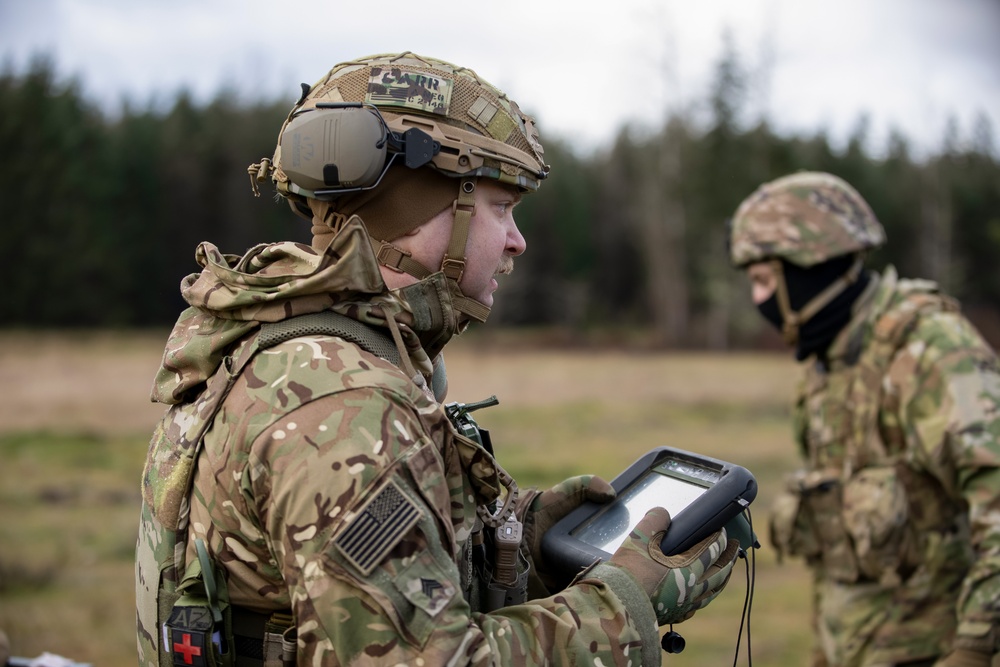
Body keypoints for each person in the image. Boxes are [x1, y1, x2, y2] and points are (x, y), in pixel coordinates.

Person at [136, 52, 741, 667]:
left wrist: (519, 535)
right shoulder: (346, 408)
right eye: (502, 208)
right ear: (422, 206)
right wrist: (626, 604)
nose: (517, 240)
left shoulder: (287, 343)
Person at [727, 170, 1000, 667]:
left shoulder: (930, 350)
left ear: (813, 269)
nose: (758, 300)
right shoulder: (830, 361)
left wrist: (974, 648)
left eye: (766, 280)